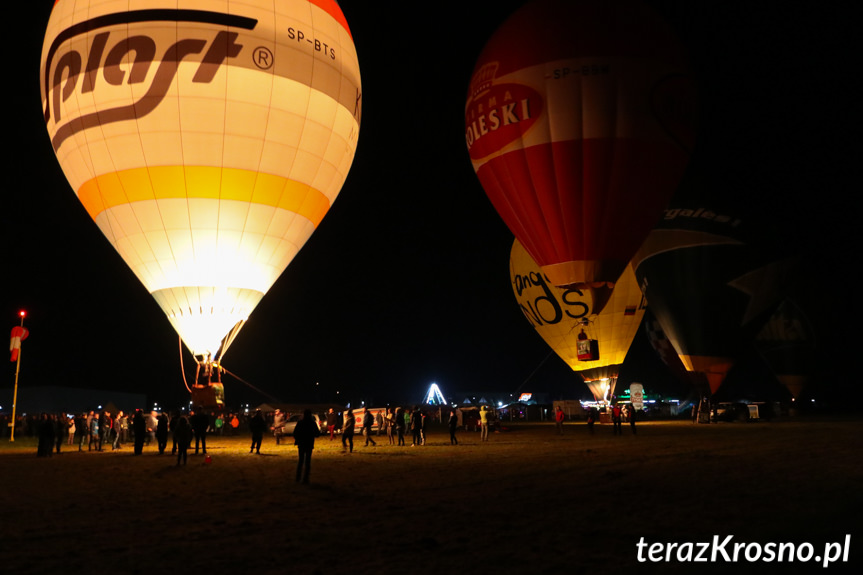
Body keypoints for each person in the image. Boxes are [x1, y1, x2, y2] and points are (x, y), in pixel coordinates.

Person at [293, 409, 321, 484]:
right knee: (307, 462)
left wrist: (298, 439)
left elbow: (295, 433)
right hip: (309, 444)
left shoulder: (300, 423)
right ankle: (305, 479)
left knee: (301, 461)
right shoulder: (312, 423)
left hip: (301, 444)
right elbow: (317, 434)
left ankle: (298, 478)